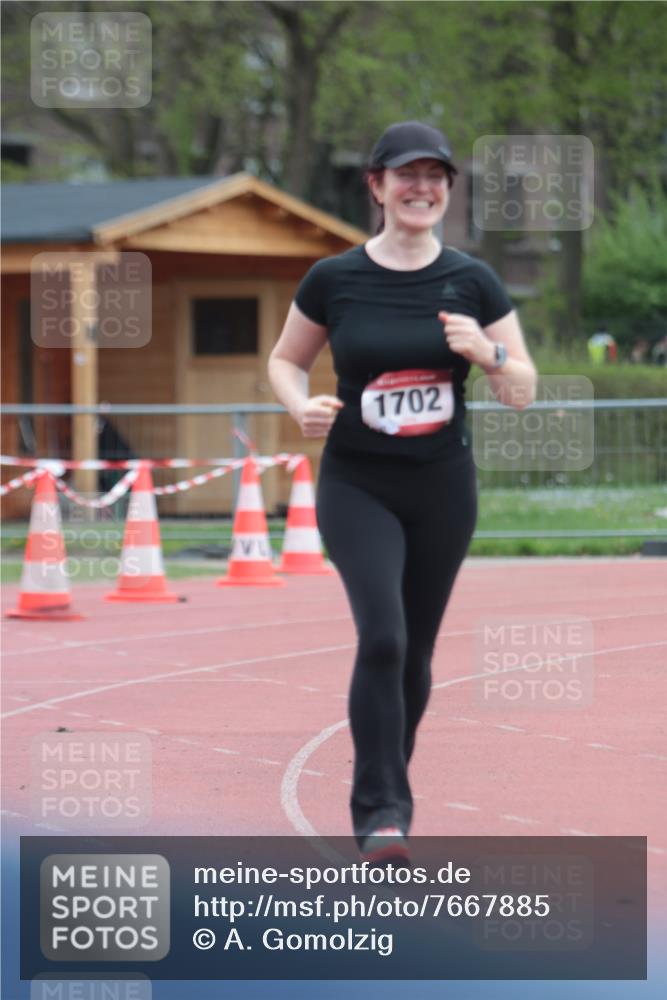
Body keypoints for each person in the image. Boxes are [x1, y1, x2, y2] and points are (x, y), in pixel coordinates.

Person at [268, 121, 537, 863]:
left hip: (442, 487)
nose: (421, 188)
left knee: (415, 651)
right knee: (383, 637)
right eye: (406, 175)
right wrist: (299, 404)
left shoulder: (473, 281)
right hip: (358, 482)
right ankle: (382, 810)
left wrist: (489, 353)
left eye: (435, 177)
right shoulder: (333, 278)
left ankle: (388, 786)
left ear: (446, 190)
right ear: (377, 186)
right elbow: (286, 360)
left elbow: (522, 390)